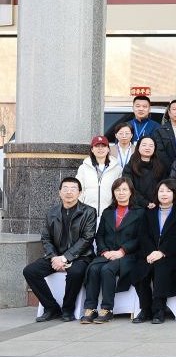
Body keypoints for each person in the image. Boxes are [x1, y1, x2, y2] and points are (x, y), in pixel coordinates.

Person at [25, 179, 96, 322]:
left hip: (81, 256)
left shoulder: (89, 212)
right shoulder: (52, 212)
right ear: (59, 192)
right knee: (30, 271)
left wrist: (65, 258)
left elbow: (87, 238)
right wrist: (54, 257)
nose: (69, 192)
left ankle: (68, 309)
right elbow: (46, 238)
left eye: (73, 188)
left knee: (76, 272)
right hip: (55, 256)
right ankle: (51, 308)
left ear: (79, 193)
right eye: (65, 188)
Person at [81, 178, 143, 324]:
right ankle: (90, 308)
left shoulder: (140, 212)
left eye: (124, 189)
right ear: (113, 192)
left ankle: (107, 309)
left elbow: (140, 238)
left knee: (107, 270)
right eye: (117, 190)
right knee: (93, 268)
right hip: (107, 253)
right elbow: (100, 235)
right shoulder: (108, 212)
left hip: (128, 255)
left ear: (131, 192)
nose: (121, 193)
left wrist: (122, 251)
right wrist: (104, 251)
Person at [131, 179, 176, 324]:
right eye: (161, 191)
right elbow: (143, 235)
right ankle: (145, 309)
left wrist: (162, 252)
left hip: (172, 254)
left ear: (174, 194)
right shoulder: (149, 212)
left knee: (161, 268)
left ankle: (159, 309)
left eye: (168, 191)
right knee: (140, 268)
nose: (164, 194)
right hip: (149, 252)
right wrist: (152, 252)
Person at [77, 135, 123, 213]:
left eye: (103, 146)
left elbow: (119, 191)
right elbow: (79, 189)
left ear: (108, 149)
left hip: (110, 212)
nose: (100, 149)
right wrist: (81, 209)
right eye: (97, 146)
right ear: (92, 149)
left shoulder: (117, 169)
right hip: (87, 212)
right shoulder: (83, 168)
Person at [124, 137, 168, 210]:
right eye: (144, 145)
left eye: (151, 146)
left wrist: (156, 202)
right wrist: (145, 203)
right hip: (135, 207)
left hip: (156, 206)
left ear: (154, 149)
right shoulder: (129, 167)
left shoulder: (160, 166)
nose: (147, 148)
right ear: (138, 147)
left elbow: (164, 186)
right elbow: (128, 187)